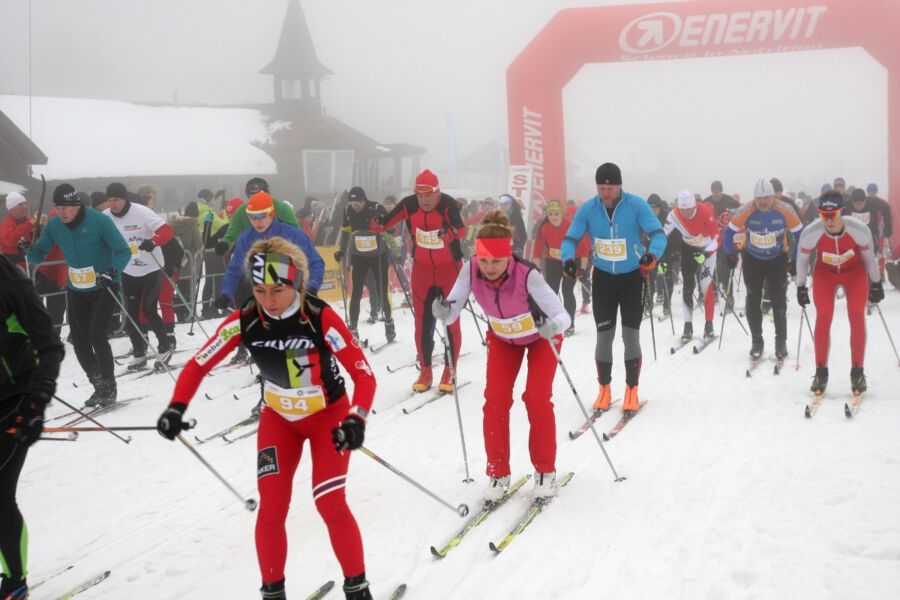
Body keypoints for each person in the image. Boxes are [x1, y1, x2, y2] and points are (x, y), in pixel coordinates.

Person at [156, 237, 376, 600]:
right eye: (259, 290)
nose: (268, 300)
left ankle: (358, 588)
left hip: (329, 419)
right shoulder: (246, 318)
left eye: (277, 290)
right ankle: (273, 593)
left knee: (329, 502)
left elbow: (364, 374)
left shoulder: (320, 316)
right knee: (271, 509)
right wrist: (176, 407)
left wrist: (356, 420)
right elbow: (198, 363)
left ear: (297, 284)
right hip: (279, 421)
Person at [432, 211, 570, 500]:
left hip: (541, 337)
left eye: (496, 261)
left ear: (509, 256)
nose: (489, 267)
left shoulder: (528, 275)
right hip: (503, 339)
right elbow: (453, 307)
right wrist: (444, 310)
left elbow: (563, 315)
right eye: (484, 260)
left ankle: (545, 470)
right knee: (495, 401)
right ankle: (497, 472)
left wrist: (552, 327)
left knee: (536, 397)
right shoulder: (470, 269)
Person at [560, 162, 666, 414]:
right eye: (601, 188)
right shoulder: (588, 208)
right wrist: (568, 260)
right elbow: (570, 239)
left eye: (610, 188)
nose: (606, 193)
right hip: (604, 279)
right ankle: (604, 390)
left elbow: (658, 234)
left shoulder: (636, 205)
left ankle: (632, 390)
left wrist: (652, 256)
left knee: (630, 336)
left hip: (632, 278)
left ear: (620, 186)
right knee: (604, 336)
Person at [27, 184, 130, 405]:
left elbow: (123, 250)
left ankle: (109, 387)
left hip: (104, 285)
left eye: (66, 207)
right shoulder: (55, 224)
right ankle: (98, 384)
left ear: (77, 205)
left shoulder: (99, 220)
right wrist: (27, 247)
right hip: (77, 288)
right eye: (58, 207)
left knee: (97, 335)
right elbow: (37, 255)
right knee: (79, 339)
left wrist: (112, 271)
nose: (62, 212)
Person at [0, 256, 65, 600]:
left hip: (12, 402)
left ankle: (15, 583)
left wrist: (38, 402)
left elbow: (49, 345)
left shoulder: (10, 282)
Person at [371, 169, 466, 392]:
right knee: (422, 323)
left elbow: (460, 229)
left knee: (450, 321)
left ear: (437, 193)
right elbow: (387, 221)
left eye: (429, 196)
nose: (424, 201)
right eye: (420, 196)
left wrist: (450, 233)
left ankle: (449, 371)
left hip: (449, 271)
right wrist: (379, 223)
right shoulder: (409, 204)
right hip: (422, 271)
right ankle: (425, 371)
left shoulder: (448, 204)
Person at [795, 191, 882, 394]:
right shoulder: (811, 232)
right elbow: (802, 260)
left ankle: (857, 373)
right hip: (825, 273)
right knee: (824, 316)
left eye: (833, 214)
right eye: (824, 215)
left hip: (855, 272)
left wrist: (876, 282)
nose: (829, 220)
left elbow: (869, 258)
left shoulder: (858, 229)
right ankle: (820, 373)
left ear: (842, 212)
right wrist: (801, 286)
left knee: (856, 315)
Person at [723, 179, 803, 361]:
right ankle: (757, 341)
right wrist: (730, 254)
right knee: (753, 299)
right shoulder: (746, 209)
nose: (763, 202)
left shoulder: (785, 210)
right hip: (752, 259)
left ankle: (780, 342)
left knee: (778, 300)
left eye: (766, 197)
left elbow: (800, 234)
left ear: (773, 196)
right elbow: (728, 233)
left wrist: (795, 259)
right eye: (759, 198)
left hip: (777, 259)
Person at [104, 182, 177, 371]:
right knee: (131, 312)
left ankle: (164, 346)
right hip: (129, 269)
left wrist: (153, 241)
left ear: (125, 199)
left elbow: (167, 232)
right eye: (110, 200)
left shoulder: (142, 212)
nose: (113, 204)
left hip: (152, 267)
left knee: (149, 308)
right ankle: (139, 353)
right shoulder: (105, 217)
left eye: (116, 200)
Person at [217, 192, 324, 310]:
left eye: (261, 216)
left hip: (290, 301)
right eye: (252, 216)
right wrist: (226, 295)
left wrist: (312, 287)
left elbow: (316, 262)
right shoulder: (246, 238)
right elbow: (235, 269)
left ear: (271, 213)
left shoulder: (292, 234)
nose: (257, 221)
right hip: (260, 302)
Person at [334, 186, 395, 343]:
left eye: (358, 202)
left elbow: (391, 228)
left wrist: (384, 226)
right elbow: (346, 232)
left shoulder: (376, 208)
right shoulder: (348, 210)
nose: (355, 206)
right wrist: (341, 251)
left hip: (378, 257)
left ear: (364, 200)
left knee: (382, 291)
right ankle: (353, 328)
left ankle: (389, 323)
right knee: (356, 292)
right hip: (358, 256)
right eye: (353, 203)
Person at [661, 190, 720, 343]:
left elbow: (716, 238)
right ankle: (688, 325)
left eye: (689, 209)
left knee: (706, 284)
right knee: (688, 285)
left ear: (695, 206)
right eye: (682, 209)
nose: (686, 213)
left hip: (707, 249)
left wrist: (706, 254)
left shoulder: (705, 211)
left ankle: (709, 324)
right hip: (688, 248)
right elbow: (662, 236)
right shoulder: (673, 214)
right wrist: (661, 258)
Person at [532, 199, 587, 335]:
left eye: (556, 214)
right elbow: (538, 249)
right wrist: (537, 266)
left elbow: (584, 249)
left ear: (561, 214)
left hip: (571, 261)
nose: (554, 217)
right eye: (551, 214)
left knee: (567, 291)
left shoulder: (571, 226)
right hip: (553, 262)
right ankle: (551, 323)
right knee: (551, 293)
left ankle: (570, 325)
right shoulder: (545, 229)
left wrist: (583, 269)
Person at [215, 178, 301, 255]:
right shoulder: (242, 211)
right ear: (247, 195)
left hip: (279, 255)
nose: (257, 197)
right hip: (253, 255)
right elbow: (233, 232)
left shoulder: (282, 208)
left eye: (261, 193)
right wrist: (225, 244)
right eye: (252, 195)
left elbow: (296, 232)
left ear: (268, 193)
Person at [845, 186, 893, 281]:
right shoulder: (847, 205)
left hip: (871, 233)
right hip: (854, 235)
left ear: (865, 200)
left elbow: (887, 208)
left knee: (872, 255)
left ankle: (874, 276)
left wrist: (888, 227)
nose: (858, 206)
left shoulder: (873, 202)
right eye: (856, 204)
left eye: (861, 203)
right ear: (852, 202)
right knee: (853, 255)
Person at [645, 194, 673, 316]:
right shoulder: (644, 219)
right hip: (651, 254)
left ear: (660, 208)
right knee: (649, 279)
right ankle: (648, 304)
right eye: (650, 208)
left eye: (655, 208)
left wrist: (667, 259)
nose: (653, 211)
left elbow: (672, 240)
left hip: (666, 253)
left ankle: (667, 305)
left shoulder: (666, 219)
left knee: (667, 278)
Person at [1, 192, 34, 272]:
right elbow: (11, 241)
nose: (24, 206)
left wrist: (42, 226)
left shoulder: (30, 221)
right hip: (13, 269)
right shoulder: (5, 226)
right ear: (11, 208)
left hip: (34, 265)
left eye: (24, 203)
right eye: (20, 204)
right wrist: (28, 225)